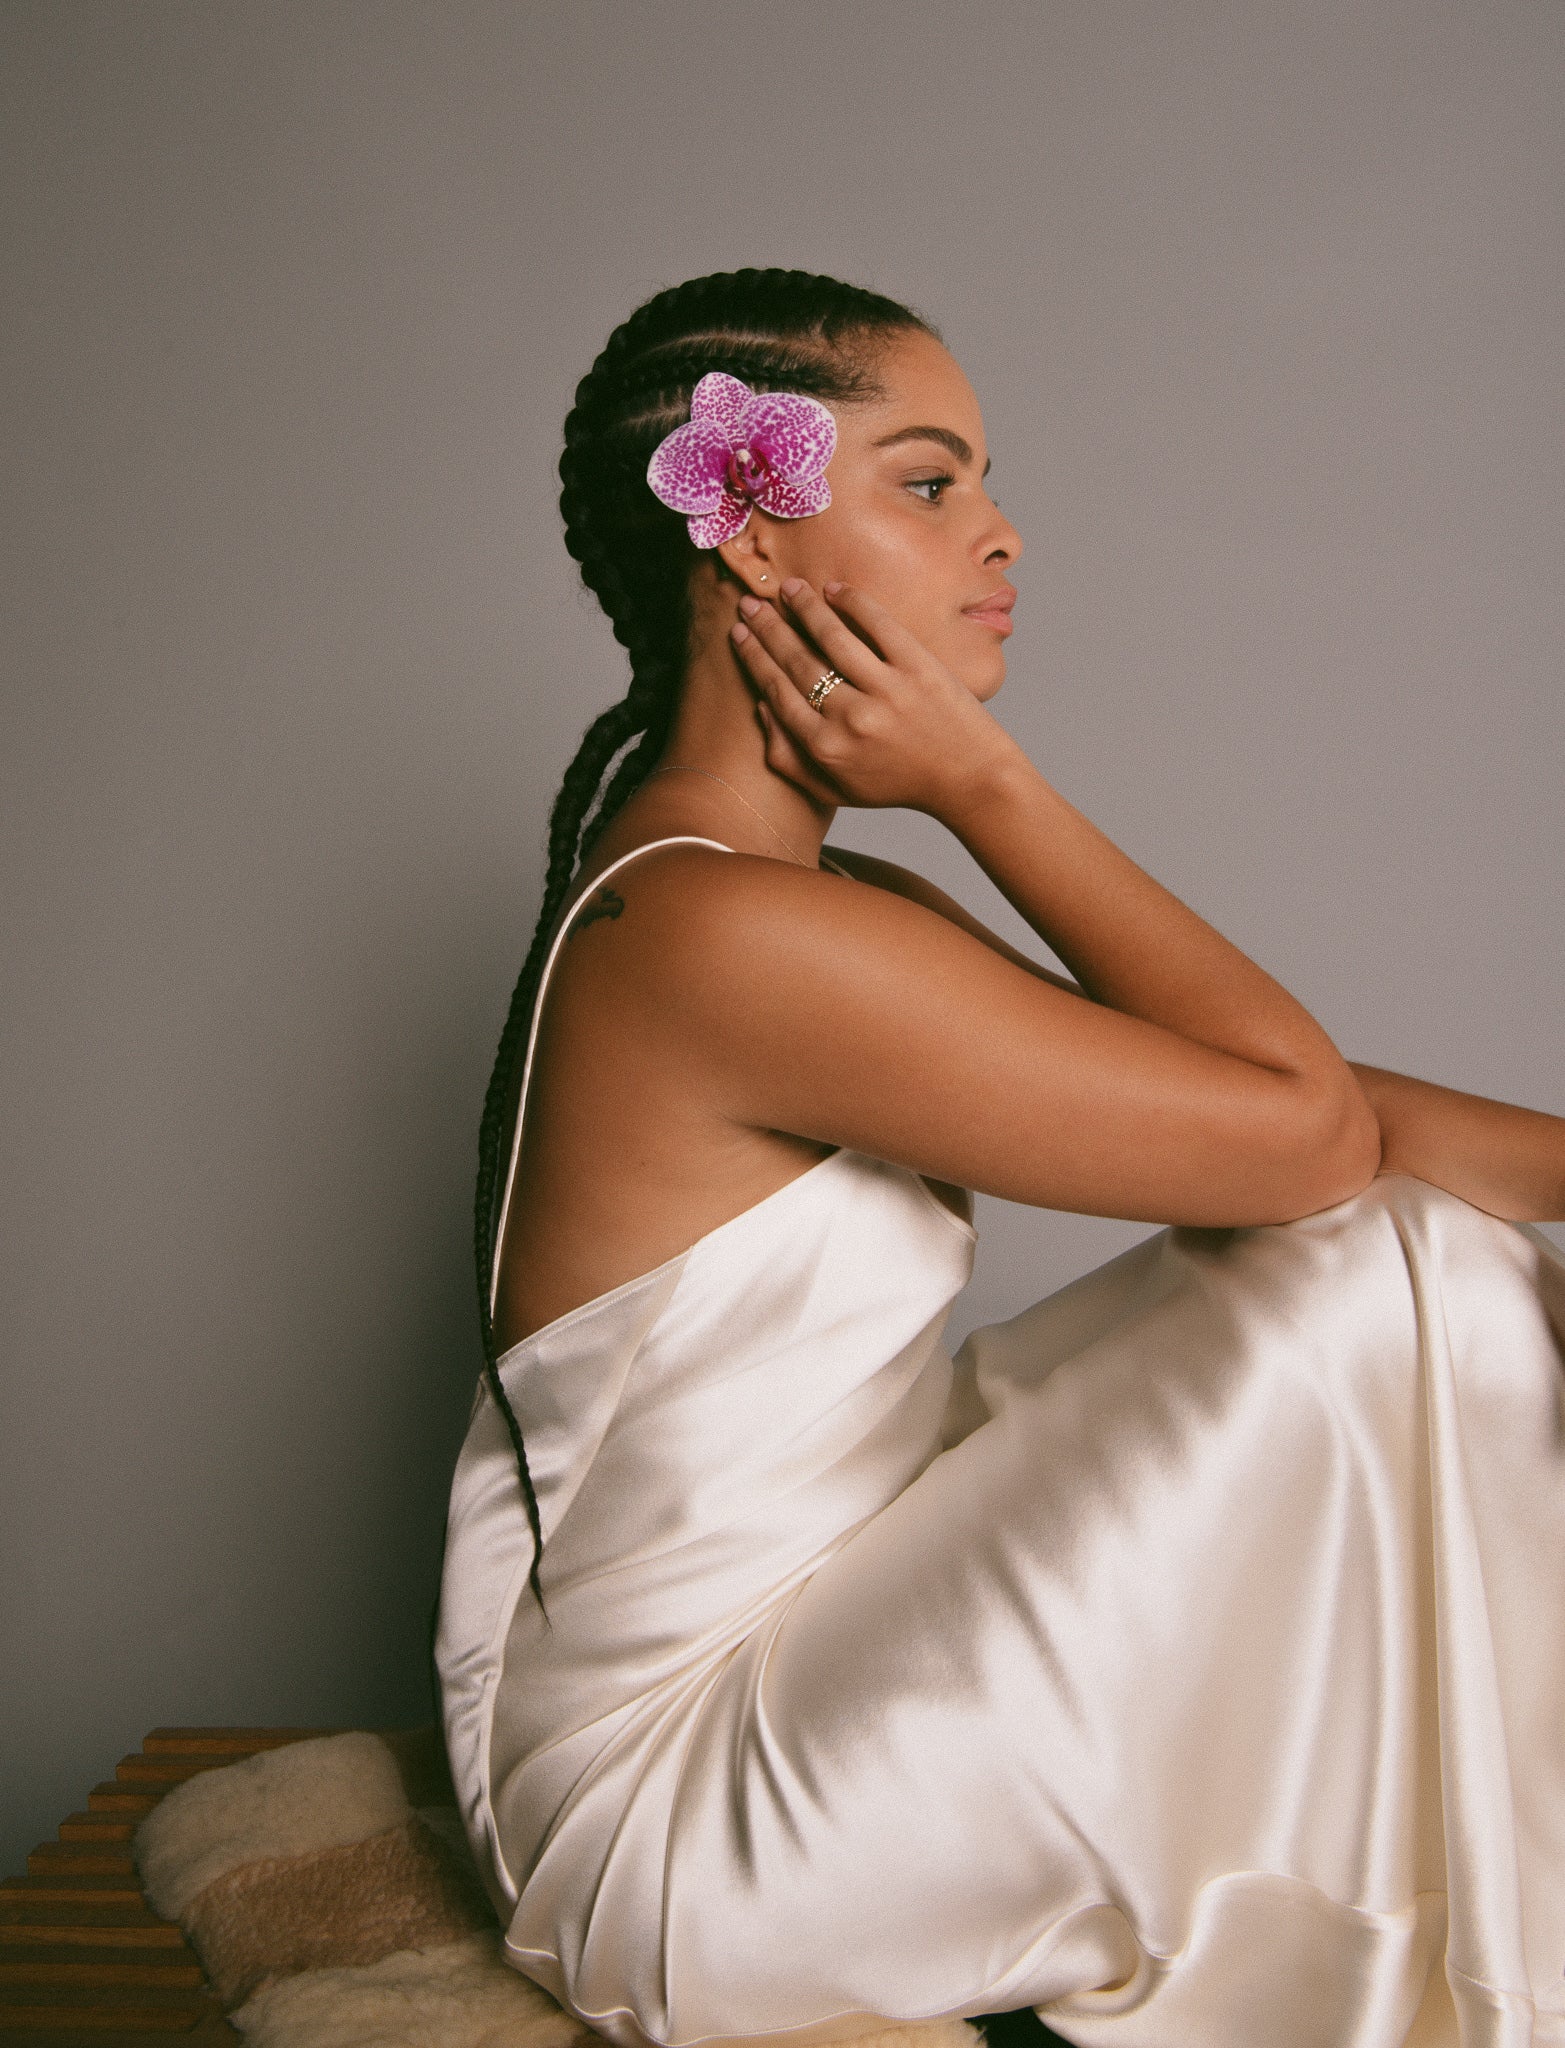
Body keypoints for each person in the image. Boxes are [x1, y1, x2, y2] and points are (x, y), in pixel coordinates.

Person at [435, 268, 1565, 2048]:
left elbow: (1240, 1093)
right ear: (744, 541)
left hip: (790, 1679)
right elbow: (1303, 1138)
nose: (1002, 533)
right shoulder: (723, 938)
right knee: (1392, 1265)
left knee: (1426, 1246)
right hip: (671, 1832)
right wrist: (986, 784)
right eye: (927, 481)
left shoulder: (787, 900)